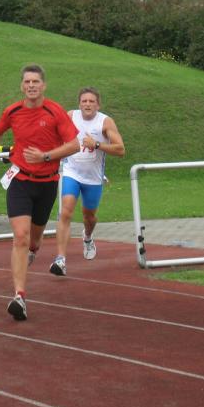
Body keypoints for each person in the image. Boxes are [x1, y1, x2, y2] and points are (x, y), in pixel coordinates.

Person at [0, 64, 79, 321]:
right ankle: (19, 296)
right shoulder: (13, 111)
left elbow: (75, 144)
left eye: (35, 81)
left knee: (34, 241)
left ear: (43, 85)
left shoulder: (55, 111)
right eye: (27, 82)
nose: (31, 86)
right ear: (21, 86)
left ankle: (34, 251)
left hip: (47, 183)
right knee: (20, 237)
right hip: (20, 181)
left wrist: (45, 156)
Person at [49, 87, 125, 276]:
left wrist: (97, 144)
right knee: (66, 211)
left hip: (93, 177)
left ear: (98, 105)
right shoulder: (70, 116)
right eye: (84, 101)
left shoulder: (105, 122)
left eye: (91, 101)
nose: (87, 104)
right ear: (79, 104)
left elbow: (120, 149)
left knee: (89, 217)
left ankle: (88, 236)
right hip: (71, 172)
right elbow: (55, 135)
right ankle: (60, 259)